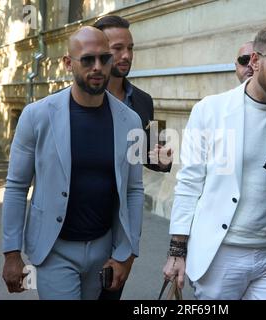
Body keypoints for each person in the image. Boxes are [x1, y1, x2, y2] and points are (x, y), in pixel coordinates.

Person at [163, 25, 266, 300]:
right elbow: (189, 183)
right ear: (255, 61)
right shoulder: (210, 109)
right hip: (220, 255)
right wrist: (177, 252)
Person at [1, 26, 144, 300]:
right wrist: (11, 253)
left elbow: (134, 190)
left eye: (105, 58)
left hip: (104, 249)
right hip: (54, 249)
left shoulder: (131, 121)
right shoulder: (35, 116)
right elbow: (17, 186)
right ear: (68, 63)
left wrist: (128, 254)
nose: (98, 67)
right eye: (88, 59)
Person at [93, 15, 173, 300]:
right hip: (81, 222)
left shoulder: (142, 101)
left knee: (110, 294)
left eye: (130, 48)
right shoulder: (80, 97)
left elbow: (147, 153)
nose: (126, 55)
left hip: (124, 223)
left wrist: (162, 159)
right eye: (117, 48)